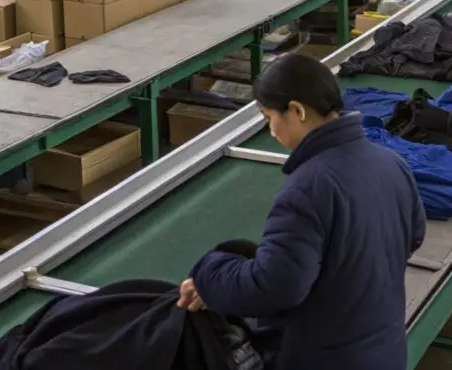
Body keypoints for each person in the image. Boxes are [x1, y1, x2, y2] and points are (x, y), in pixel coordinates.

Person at [176, 54, 426, 370]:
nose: (271, 131)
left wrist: (209, 274)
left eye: (268, 117)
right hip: (385, 352)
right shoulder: (391, 163)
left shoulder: (308, 188)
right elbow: (413, 236)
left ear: (296, 111)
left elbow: (275, 287)